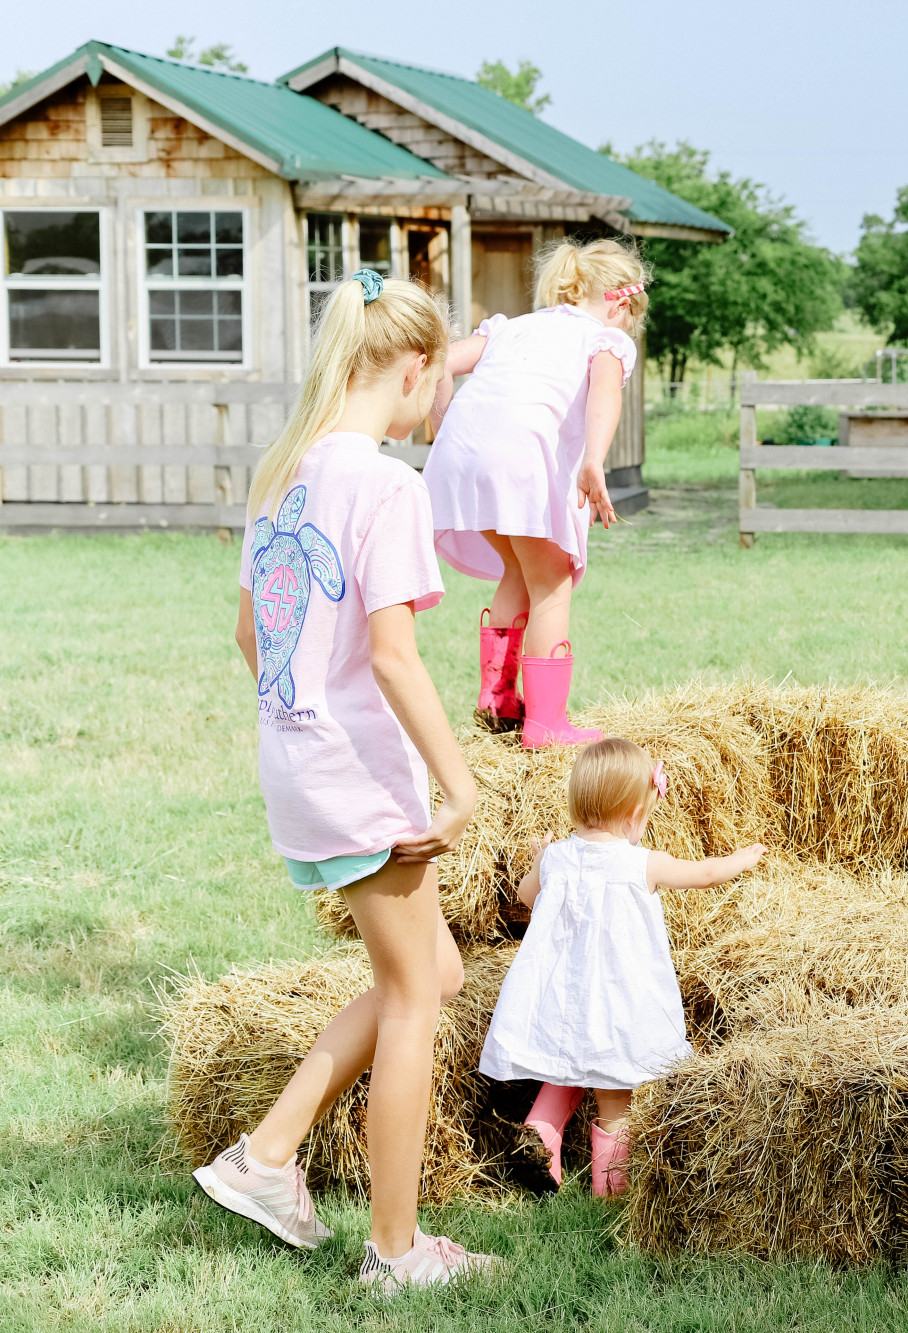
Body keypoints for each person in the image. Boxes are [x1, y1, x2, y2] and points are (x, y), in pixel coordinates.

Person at [196, 268, 497, 1291]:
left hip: (297, 764)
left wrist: (299, 721)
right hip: (363, 774)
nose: (433, 409)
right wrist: (459, 790)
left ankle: (268, 1154)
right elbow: (393, 656)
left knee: (432, 974)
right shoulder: (385, 485)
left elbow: (249, 632)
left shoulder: (282, 477)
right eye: (437, 387)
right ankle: (398, 1250)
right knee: (418, 999)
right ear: (413, 370)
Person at [479, 738, 766, 1196]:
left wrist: (539, 860)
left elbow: (525, 897)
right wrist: (741, 859)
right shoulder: (642, 863)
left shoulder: (556, 858)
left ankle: (539, 1134)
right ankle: (610, 1192)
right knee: (614, 1097)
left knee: (563, 1070)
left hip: (562, 1002)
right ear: (635, 811)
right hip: (614, 1005)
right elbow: (704, 874)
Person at [422, 237, 649, 747]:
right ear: (620, 302)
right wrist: (593, 460)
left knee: (519, 570)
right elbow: (606, 394)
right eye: (632, 317)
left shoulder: (512, 327)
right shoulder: (606, 339)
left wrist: (444, 427)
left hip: (462, 461)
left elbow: (437, 364)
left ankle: (499, 702)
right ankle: (546, 725)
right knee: (553, 580)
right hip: (518, 462)